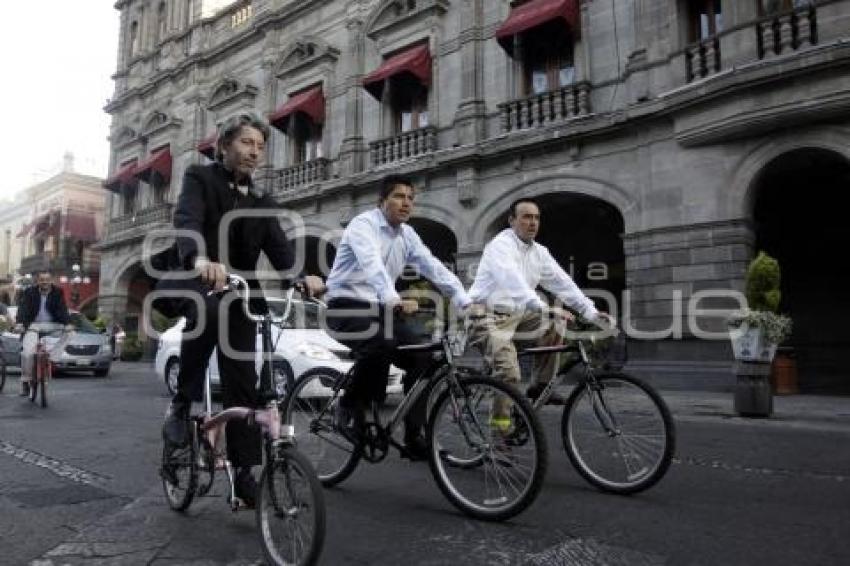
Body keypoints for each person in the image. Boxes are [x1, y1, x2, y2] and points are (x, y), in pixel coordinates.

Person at [156, 112, 323, 507]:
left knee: (246, 381)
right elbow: (188, 219)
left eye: (261, 147)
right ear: (226, 144)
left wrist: (301, 276)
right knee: (209, 312)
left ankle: (245, 473)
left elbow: (280, 248)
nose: (255, 152)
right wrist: (199, 258)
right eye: (247, 143)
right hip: (195, 279)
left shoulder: (263, 201)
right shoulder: (200, 178)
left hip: (240, 291)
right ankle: (183, 404)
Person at [323, 175, 471, 460]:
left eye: (410, 198)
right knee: (382, 343)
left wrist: (463, 299)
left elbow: (433, 267)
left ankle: (415, 435)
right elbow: (372, 265)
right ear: (381, 201)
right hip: (345, 305)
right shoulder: (362, 225)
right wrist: (393, 298)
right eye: (399, 196)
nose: (406, 203)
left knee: (424, 357)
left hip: (382, 308)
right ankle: (350, 406)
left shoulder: (408, 235)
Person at [467, 198, 613, 425]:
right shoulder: (500, 246)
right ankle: (500, 431)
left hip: (519, 315)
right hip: (486, 315)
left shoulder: (540, 252)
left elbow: (563, 283)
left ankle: (540, 385)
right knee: (509, 373)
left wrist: (591, 312)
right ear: (512, 221)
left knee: (556, 325)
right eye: (526, 217)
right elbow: (514, 283)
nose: (532, 222)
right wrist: (546, 308)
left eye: (536, 217)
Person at [15, 271, 72, 396]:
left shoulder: (57, 292)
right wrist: (20, 324)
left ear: (51, 280)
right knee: (27, 353)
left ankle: (52, 357)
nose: (44, 282)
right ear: (37, 281)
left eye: (47, 279)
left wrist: (67, 323)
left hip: (52, 325)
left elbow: (62, 308)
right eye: (41, 279)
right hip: (33, 325)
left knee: (70, 333)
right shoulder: (30, 292)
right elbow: (23, 308)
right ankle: (25, 381)